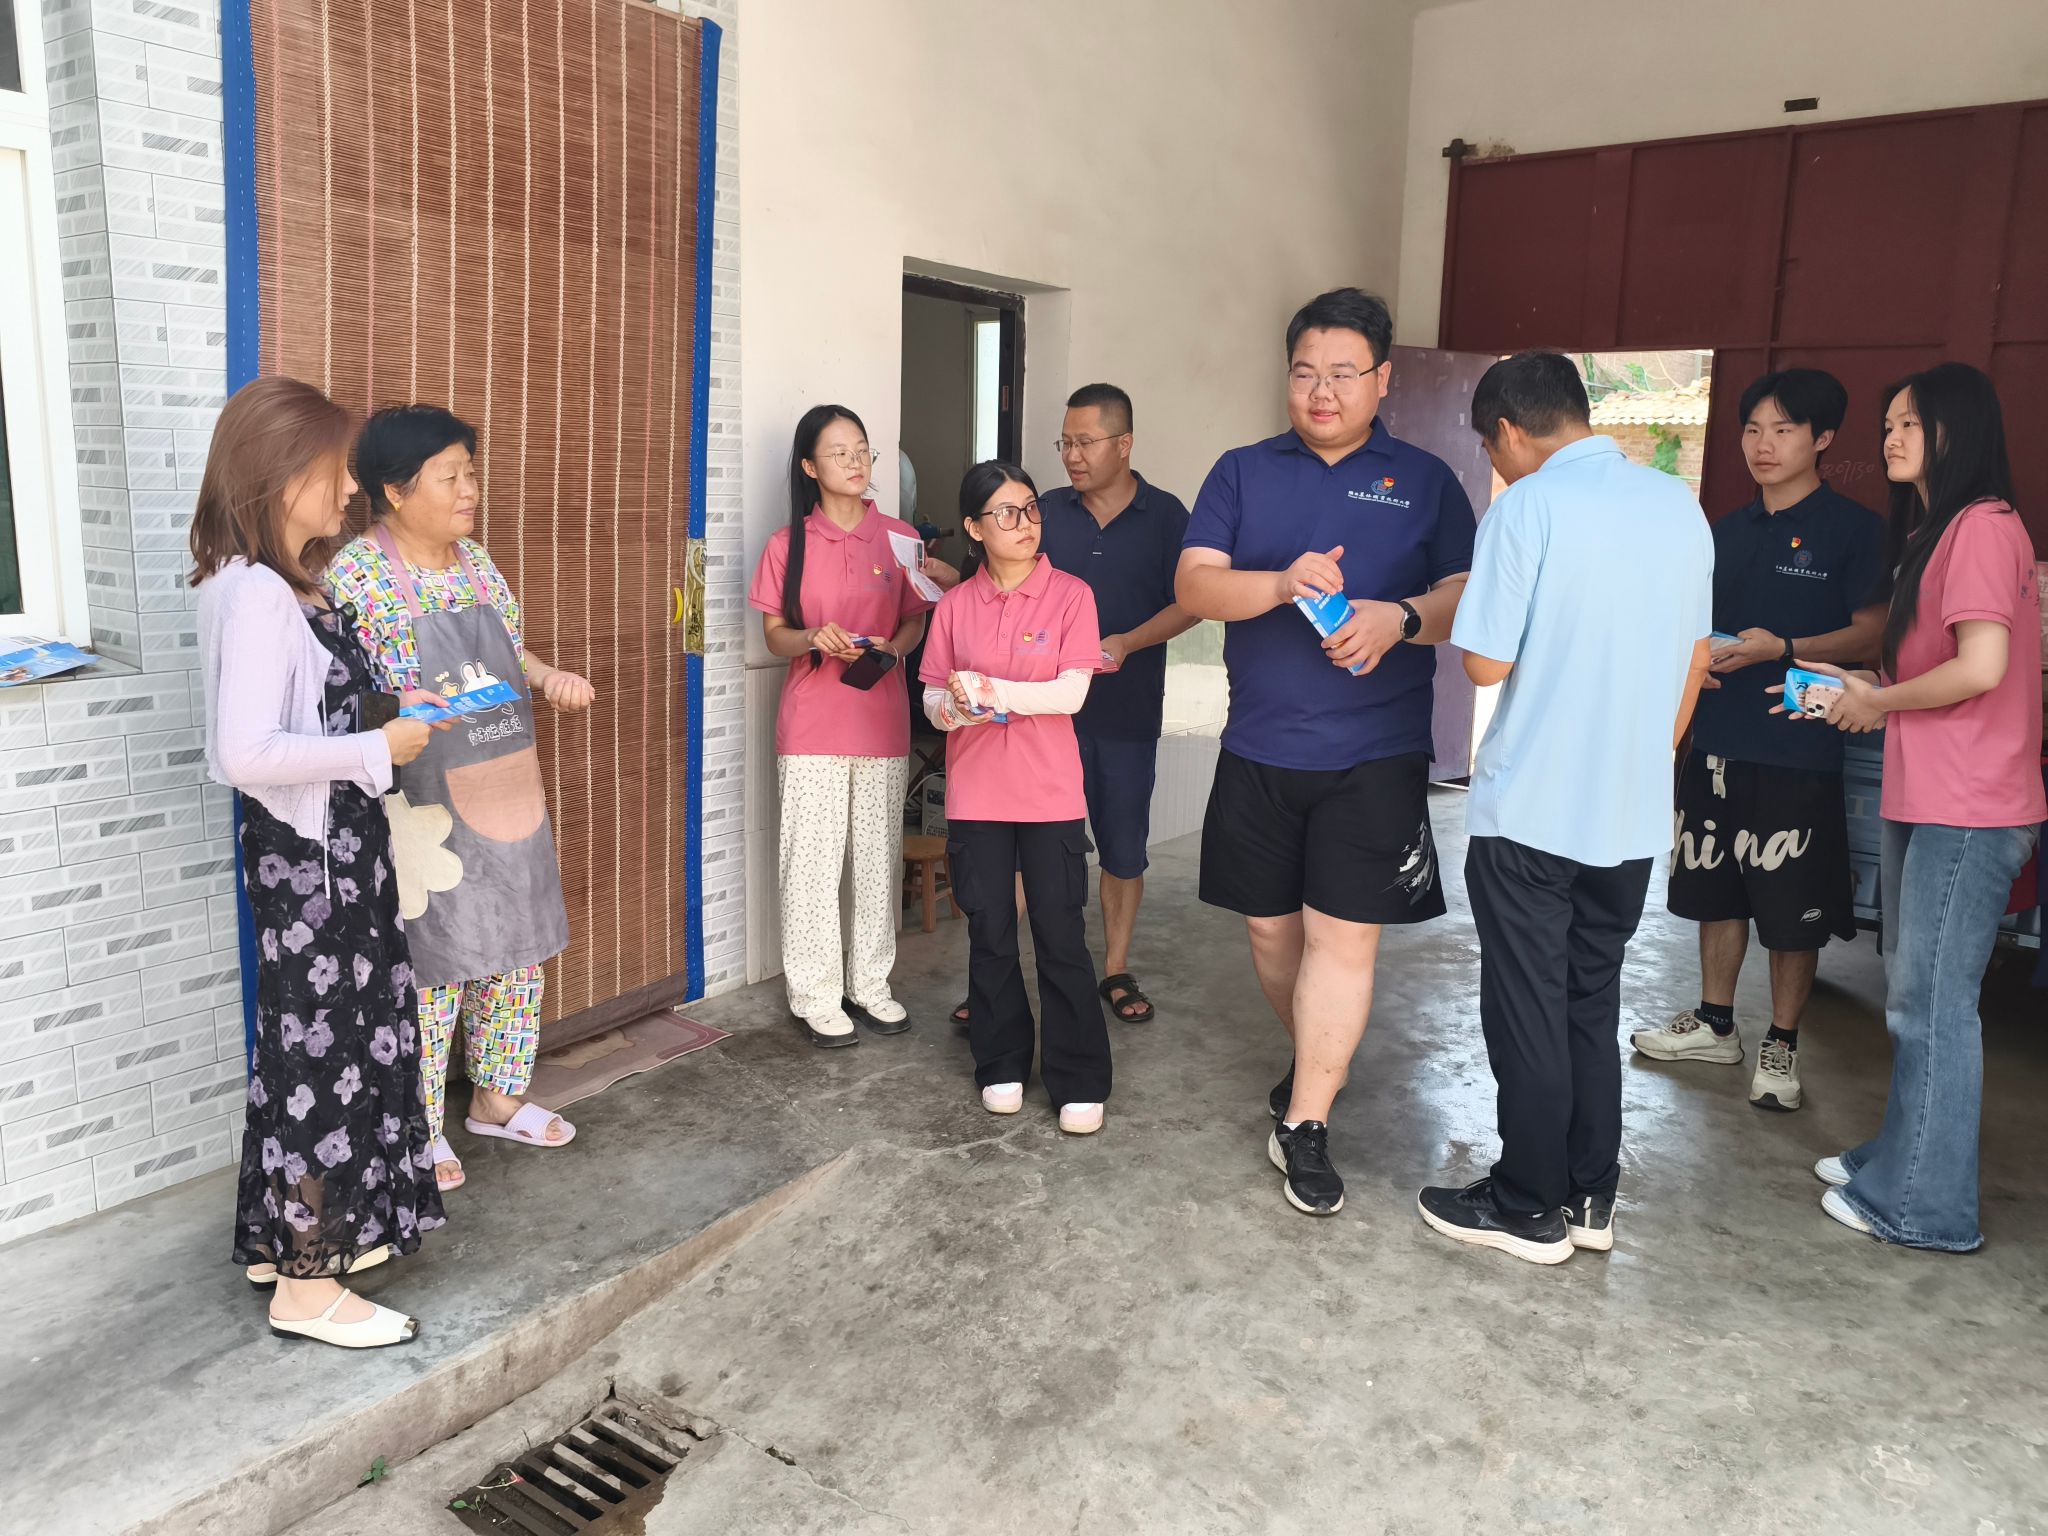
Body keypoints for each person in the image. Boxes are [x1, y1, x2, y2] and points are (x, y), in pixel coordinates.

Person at [1177, 288, 1474, 1216]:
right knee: (1273, 935)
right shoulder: (1242, 471)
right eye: (1305, 372)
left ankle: (1306, 1121)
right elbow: (1195, 585)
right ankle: (1318, 1059)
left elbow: (1467, 594)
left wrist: (1401, 618)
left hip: (1375, 752)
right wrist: (1276, 584)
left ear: (1383, 379)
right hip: (1260, 745)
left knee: (1343, 940)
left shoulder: (1425, 479)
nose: (1321, 391)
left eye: (1343, 373)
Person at [1416, 352, 1714, 1265]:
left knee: (1527, 1009)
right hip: (1630, 812)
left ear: (1508, 431)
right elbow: (1697, 656)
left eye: (1489, 447)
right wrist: (1645, 760)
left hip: (1535, 808)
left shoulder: (1528, 508)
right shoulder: (1678, 505)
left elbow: (1484, 664)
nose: (1494, 464)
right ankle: (1590, 1197)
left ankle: (1526, 1202)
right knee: (1590, 998)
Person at [193, 376, 447, 1348]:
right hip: (316, 868)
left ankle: (289, 1241)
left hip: (324, 856)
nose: (349, 488)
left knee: (309, 1057)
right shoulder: (261, 594)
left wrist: (389, 722)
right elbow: (245, 751)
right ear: (279, 473)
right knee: (325, 1060)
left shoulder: (265, 580)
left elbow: (303, 717)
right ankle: (308, 1290)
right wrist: (380, 747)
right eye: (336, 469)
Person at [1793, 363, 2042, 1252]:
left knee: (1931, 1005)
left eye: (1909, 423)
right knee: (1915, 994)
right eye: (1889, 422)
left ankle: (1927, 1209)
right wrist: (1859, 683)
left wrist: (1879, 703)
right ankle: (1902, 1159)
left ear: (1955, 431)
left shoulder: (1980, 526)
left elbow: (1981, 668)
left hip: (1969, 805)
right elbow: (1940, 664)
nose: (1890, 437)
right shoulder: (1943, 531)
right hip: (1935, 793)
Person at [327, 406, 595, 1193]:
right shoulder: (357, 576)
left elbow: (507, 653)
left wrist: (546, 677)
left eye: (470, 473)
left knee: (516, 943)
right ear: (395, 490)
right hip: (417, 801)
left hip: (504, 782)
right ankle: (416, 1127)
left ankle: (497, 1099)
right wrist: (395, 712)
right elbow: (337, 697)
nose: (470, 490)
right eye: (451, 477)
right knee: (432, 961)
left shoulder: (476, 562)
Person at [1635, 369, 1888, 1111]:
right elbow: (1689, 623)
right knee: (1717, 886)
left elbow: (1872, 633)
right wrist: (1695, 668)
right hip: (1717, 738)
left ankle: (1782, 1043)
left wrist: (1785, 648)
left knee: (1791, 906)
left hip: (1799, 746)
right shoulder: (1723, 531)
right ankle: (1716, 1023)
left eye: (1782, 430)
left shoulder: (1853, 529)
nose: (1763, 445)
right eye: (1752, 429)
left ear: (1823, 438)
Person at [923, 461, 1111, 1134]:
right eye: (1005, 513)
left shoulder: (1071, 595)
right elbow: (932, 694)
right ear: (974, 528)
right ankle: (999, 1061)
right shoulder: (954, 606)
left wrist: (994, 690)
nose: (1024, 523)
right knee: (991, 934)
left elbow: (1073, 692)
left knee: (1061, 934)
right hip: (976, 796)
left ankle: (1078, 1076)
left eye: (1030, 508)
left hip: (1049, 794)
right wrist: (954, 708)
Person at [747, 405, 933, 1046]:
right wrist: (812, 638)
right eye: (839, 453)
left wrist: (896, 649)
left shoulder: (901, 538)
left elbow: (915, 616)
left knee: (877, 863)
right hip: (813, 729)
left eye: (862, 450)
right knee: (812, 867)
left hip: (882, 722)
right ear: (809, 467)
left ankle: (871, 984)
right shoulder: (787, 545)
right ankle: (816, 995)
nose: (856, 463)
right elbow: (775, 635)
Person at [1036, 383, 1197, 1023]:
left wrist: (1129, 641)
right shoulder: (1047, 511)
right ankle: (1019, 970)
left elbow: (1192, 602)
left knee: (1123, 847)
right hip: (1046, 714)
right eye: (1065, 443)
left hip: (1127, 713)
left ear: (1124, 443)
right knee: (1039, 845)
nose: (1071, 456)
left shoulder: (1166, 516)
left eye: (1085, 442)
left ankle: (1116, 969)